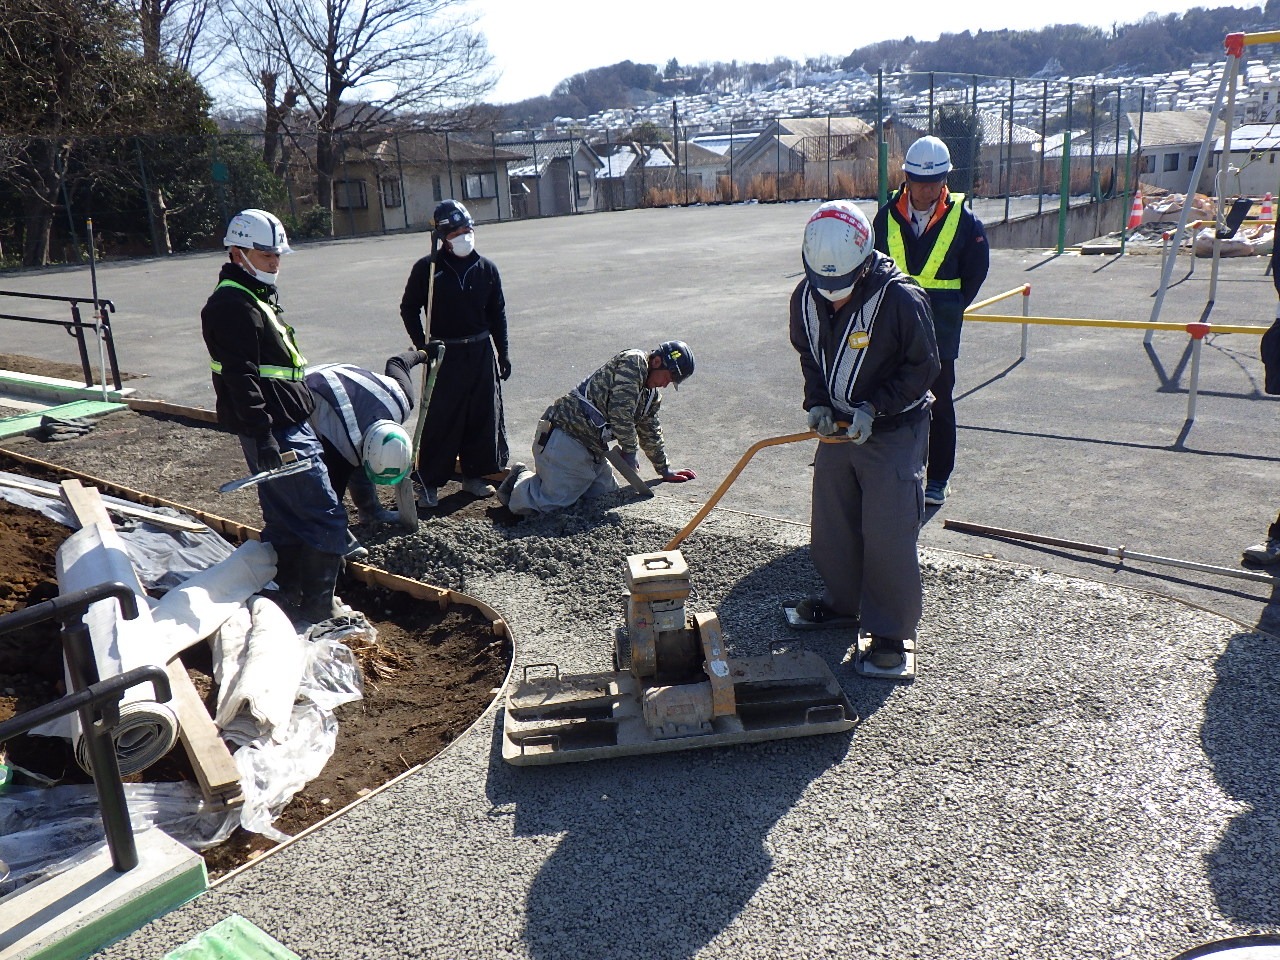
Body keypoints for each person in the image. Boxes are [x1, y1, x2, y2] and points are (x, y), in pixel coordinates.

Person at [788, 200, 940, 670]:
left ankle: (890, 633)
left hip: (893, 430)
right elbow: (810, 355)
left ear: (865, 261)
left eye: (842, 287)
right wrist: (816, 401)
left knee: (888, 533)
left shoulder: (901, 300)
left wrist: (875, 407)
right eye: (824, 286)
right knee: (832, 524)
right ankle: (843, 604)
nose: (832, 297)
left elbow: (923, 368)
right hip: (838, 429)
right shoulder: (806, 297)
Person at [201, 208, 349, 622]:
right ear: (238, 253)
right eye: (266, 255)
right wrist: (263, 434)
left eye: (277, 255)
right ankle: (319, 606)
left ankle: (289, 592)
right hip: (278, 430)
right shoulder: (231, 304)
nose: (274, 263)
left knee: (285, 517)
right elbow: (241, 376)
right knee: (324, 513)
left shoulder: (251, 294)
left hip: (282, 423)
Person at [872, 135, 989, 507]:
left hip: (939, 330)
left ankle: (938, 479)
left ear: (945, 179)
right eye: (919, 181)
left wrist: (952, 308)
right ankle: (892, 471)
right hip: (892, 329)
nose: (926, 188)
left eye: (933, 181)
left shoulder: (965, 222)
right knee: (890, 398)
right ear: (906, 177)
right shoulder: (886, 217)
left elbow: (975, 272)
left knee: (939, 403)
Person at [497, 342, 698, 516]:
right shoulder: (634, 362)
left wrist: (664, 469)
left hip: (593, 449)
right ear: (657, 362)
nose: (665, 385)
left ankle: (559, 483)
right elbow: (620, 411)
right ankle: (518, 481)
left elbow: (650, 430)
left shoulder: (650, 396)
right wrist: (629, 450)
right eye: (668, 377)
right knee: (552, 504)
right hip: (566, 436)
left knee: (605, 499)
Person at [399, 199, 510, 509]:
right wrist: (423, 344)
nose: (464, 236)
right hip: (444, 354)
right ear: (442, 237)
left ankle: (474, 476)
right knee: (441, 420)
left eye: (467, 230)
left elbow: (498, 313)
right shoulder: (428, 269)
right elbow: (409, 308)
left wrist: (503, 352)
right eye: (456, 232)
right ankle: (429, 482)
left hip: (480, 351)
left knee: (481, 416)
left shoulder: (486, 269)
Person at [305, 349, 431, 557]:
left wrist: (424, 353)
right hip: (307, 391)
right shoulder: (339, 451)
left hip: (346, 386)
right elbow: (328, 500)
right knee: (313, 477)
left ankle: (371, 512)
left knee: (357, 457)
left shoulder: (401, 400)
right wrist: (335, 536)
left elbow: (398, 362)